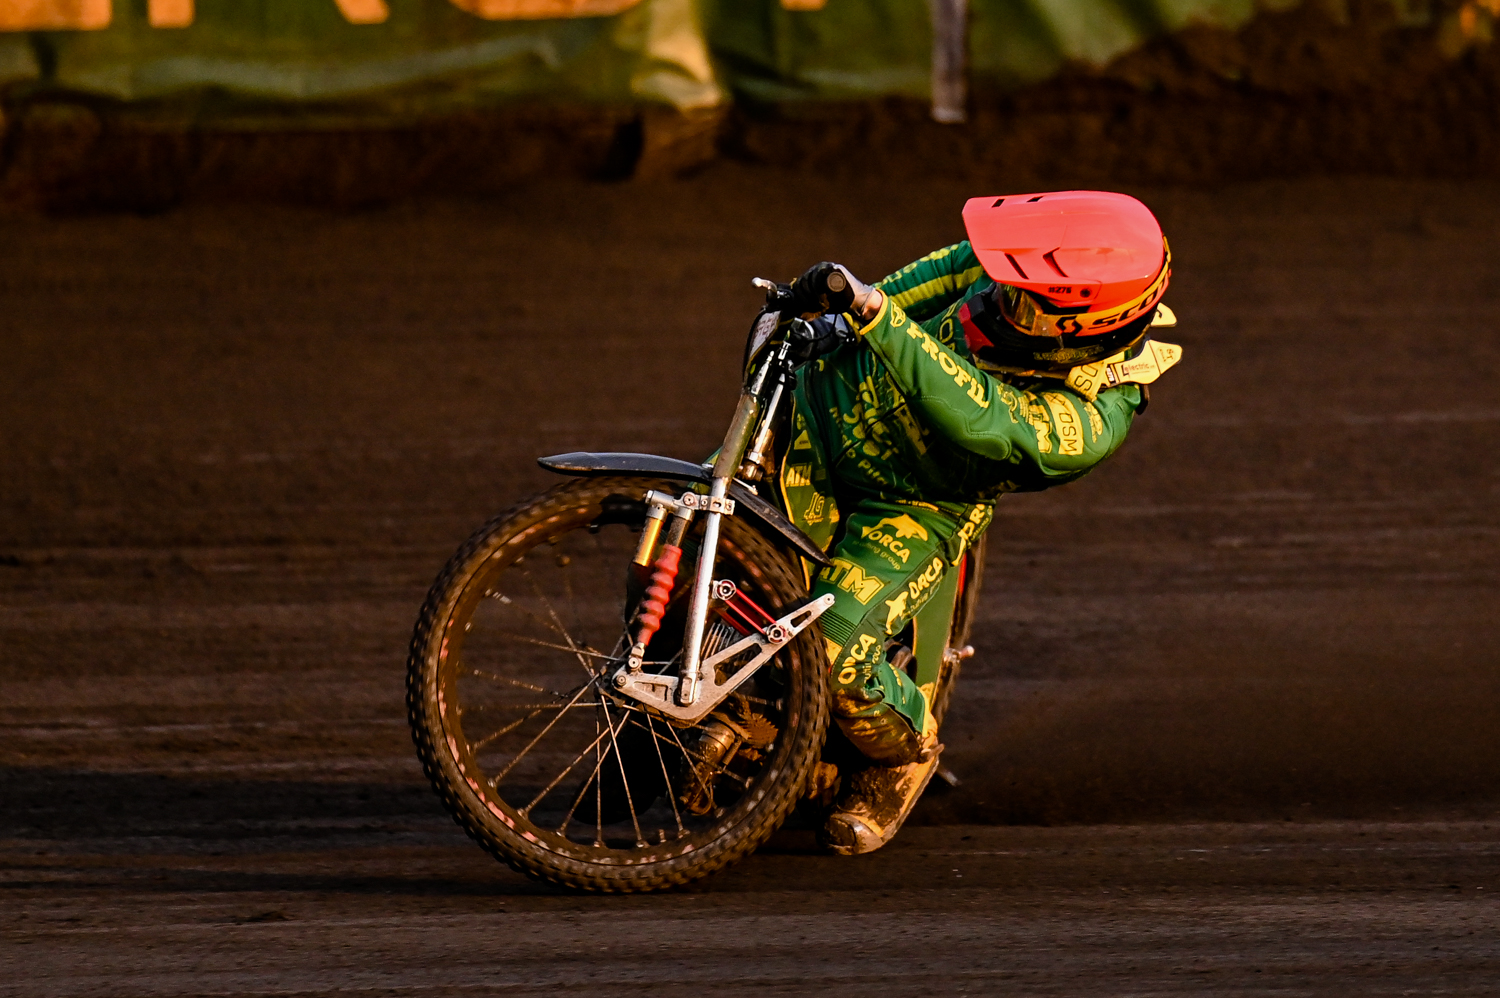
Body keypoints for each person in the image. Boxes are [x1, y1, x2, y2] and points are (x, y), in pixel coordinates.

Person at [773, 190, 1182, 855]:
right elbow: (922, 280)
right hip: (813, 416)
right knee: (688, 524)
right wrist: (841, 317)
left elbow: (982, 417)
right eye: (1006, 285)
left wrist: (873, 315)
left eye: (1026, 304)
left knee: (830, 651)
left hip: (912, 507)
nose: (1000, 299)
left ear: (1085, 327)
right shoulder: (1015, 268)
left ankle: (907, 750)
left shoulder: (1093, 420)